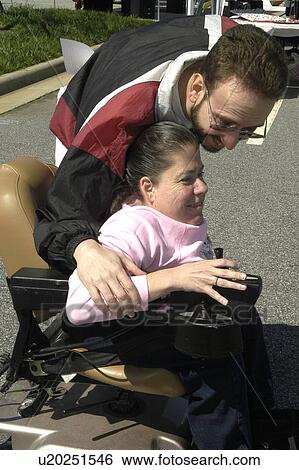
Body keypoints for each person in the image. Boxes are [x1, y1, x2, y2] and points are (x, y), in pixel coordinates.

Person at [34, 16, 288, 317]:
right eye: (226, 123)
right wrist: (86, 248)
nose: (232, 142)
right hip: (97, 111)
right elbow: (65, 210)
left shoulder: (239, 51)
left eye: (247, 129)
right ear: (195, 88)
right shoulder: (118, 118)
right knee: (103, 235)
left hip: (147, 64)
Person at [64, 122, 253, 449]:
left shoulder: (174, 214)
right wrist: (172, 279)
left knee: (244, 322)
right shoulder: (133, 226)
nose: (202, 187)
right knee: (213, 354)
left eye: (201, 174)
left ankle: (261, 421)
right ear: (148, 188)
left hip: (157, 317)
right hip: (114, 332)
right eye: (187, 179)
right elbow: (78, 307)